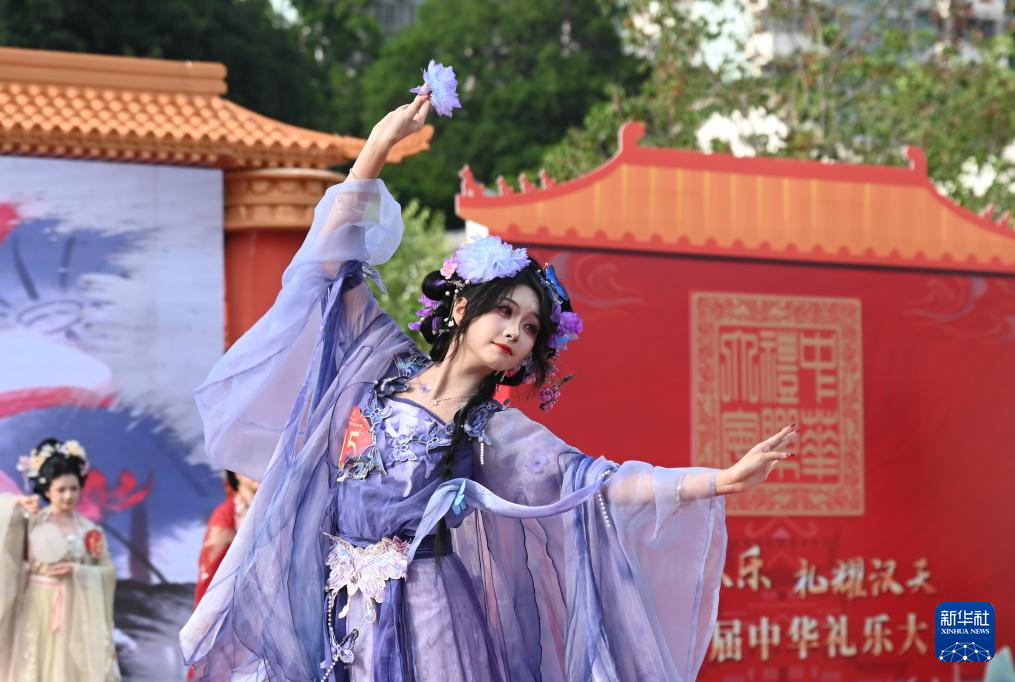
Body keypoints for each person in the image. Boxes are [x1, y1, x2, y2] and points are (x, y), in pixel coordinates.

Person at [180, 92, 799, 681]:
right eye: (503, 311)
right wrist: (376, 147)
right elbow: (331, 262)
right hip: (336, 608)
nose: (514, 332)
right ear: (460, 308)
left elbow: (594, 481)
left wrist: (717, 481)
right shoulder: (379, 358)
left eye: (529, 328)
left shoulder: (494, 430)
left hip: (427, 618)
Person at [0, 438, 121, 682]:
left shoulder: (90, 530)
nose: (68, 496)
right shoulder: (32, 521)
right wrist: (16, 503)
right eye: (61, 489)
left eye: (73, 488)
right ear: (47, 491)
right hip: (38, 607)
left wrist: (78, 572)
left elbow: (108, 571)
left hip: (77, 610)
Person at [194, 471, 259, 607]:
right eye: (251, 466)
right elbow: (211, 568)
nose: (258, 471)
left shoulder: (277, 506)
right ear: (236, 473)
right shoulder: (226, 515)